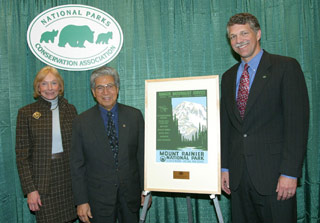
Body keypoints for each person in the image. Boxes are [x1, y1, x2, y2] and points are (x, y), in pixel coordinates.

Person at [220, 13, 309, 222]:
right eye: (233, 36)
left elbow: (297, 124)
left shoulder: (285, 67)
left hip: (275, 179)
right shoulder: (228, 77)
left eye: (244, 33)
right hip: (239, 179)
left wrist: (290, 173)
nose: (238, 40)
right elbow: (227, 127)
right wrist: (225, 167)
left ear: (258, 34)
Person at [70, 66, 147, 223]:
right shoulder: (81, 122)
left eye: (110, 86)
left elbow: (142, 156)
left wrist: (145, 190)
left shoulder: (135, 116)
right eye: (100, 87)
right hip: (97, 200)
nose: (106, 92)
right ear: (93, 92)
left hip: (130, 196)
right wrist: (81, 201)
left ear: (117, 88)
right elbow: (77, 164)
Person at [15, 66, 78, 222]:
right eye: (44, 83)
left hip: (68, 178)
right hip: (42, 183)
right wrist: (30, 190)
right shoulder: (26, 113)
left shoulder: (70, 110)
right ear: (38, 87)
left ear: (60, 86)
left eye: (54, 83)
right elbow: (22, 157)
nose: (49, 88)